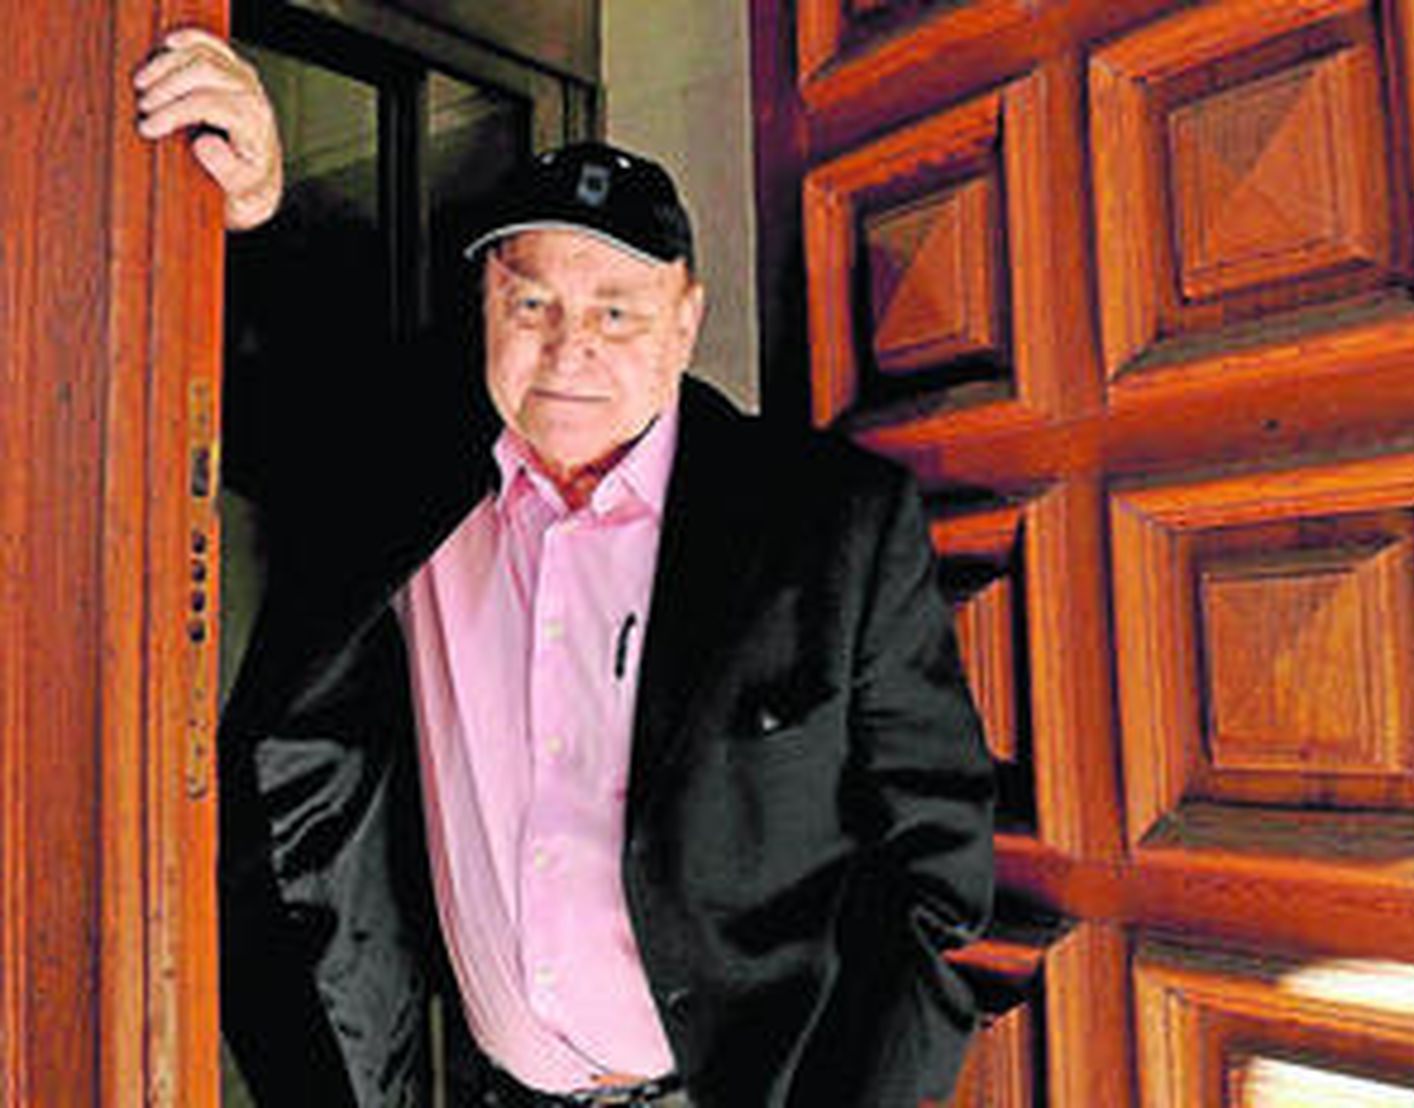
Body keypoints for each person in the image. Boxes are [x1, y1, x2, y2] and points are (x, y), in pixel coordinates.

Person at [137, 29, 995, 1108]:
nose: (567, 348)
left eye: (616, 311)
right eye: (530, 302)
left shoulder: (827, 526)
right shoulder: (414, 470)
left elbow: (935, 878)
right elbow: (271, 399)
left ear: (684, 320)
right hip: (483, 1086)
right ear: (486, 305)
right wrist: (255, 194)